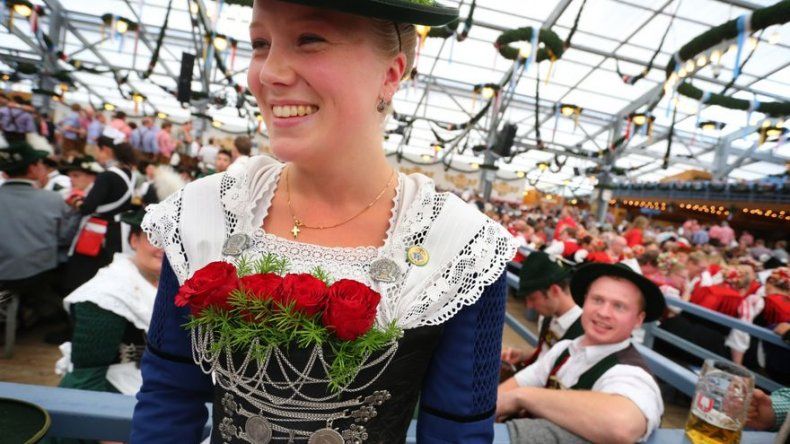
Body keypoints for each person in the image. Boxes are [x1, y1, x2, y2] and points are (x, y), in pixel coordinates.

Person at [131, 1, 518, 442]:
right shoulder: (206, 211)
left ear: (391, 74)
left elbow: (457, 433)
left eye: (309, 39)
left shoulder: (462, 246)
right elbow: (167, 394)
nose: (269, 73)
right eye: (260, 43)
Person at [497, 262, 666, 443]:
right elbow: (515, 385)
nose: (603, 312)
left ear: (638, 319)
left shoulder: (632, 373)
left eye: (619, 306)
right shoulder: (566, 348)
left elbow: (622, 424)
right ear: (585, 302)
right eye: (597, 300)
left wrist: (523, 396)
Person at [56, 209, 162, 395]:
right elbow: (87, 379)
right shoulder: (106, 295)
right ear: (134, 240)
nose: (165, 247)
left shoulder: (179, 281)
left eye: (175, 240)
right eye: (155, 238)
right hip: (121, 386)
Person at [0, 142, 79, 327]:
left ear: (4, 172)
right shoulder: (52, 199)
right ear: (33, 168)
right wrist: (76, 213)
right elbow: (65, 238)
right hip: (37, 275)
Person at [62, 128, 136, 295]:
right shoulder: (129, 173)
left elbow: (88, 207)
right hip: (117, 231)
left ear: (106, 150)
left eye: (97, 149)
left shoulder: (107, 176)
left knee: (85, 278)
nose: (96, 153)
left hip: (98, 234)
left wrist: (76, 200)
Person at [500, 252, 581, 378]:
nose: (529, 306)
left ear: (554, 290)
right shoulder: (548, 317)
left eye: (532, 298)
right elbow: (548, 355)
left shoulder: (583, 332)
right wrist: (523, 355)